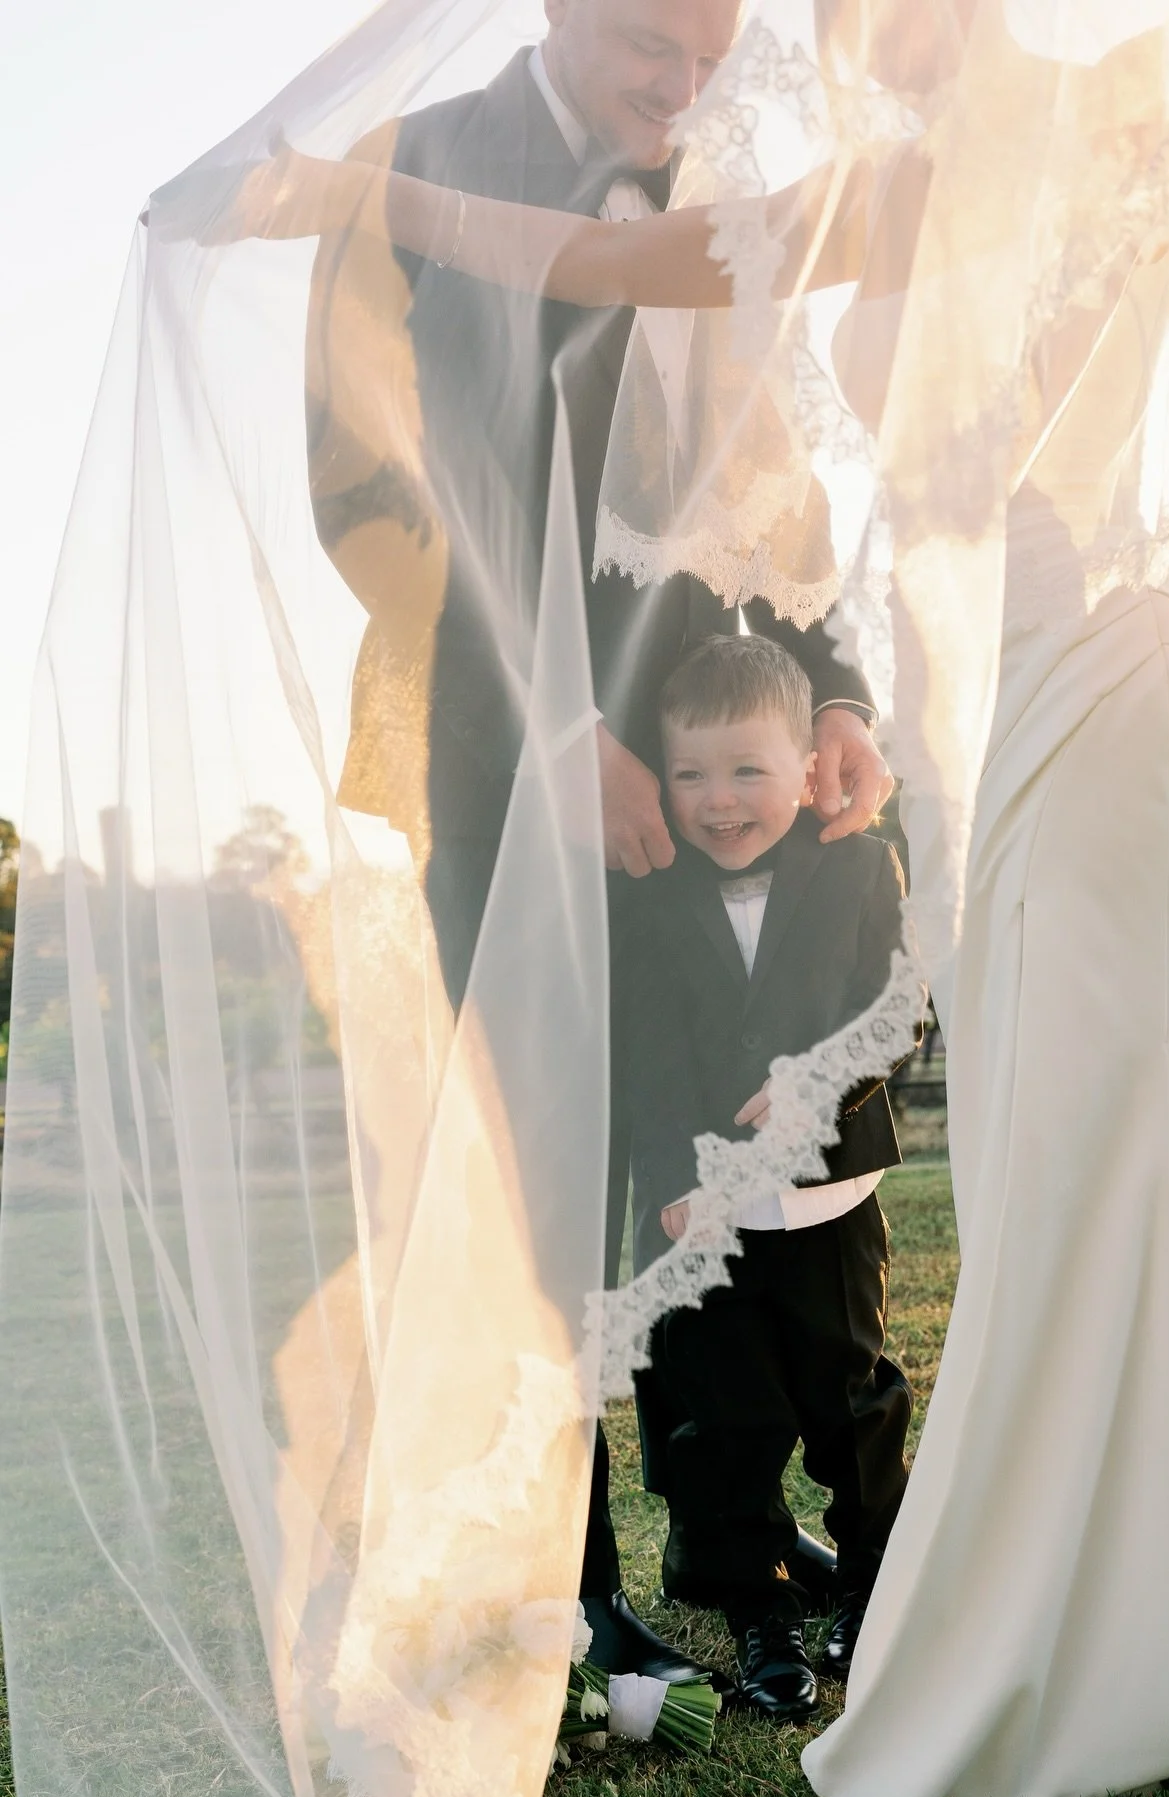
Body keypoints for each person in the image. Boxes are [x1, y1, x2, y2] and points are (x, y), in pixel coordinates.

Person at [152, 0, 1169, 1797]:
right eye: (848, 18)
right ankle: (1109, 1578)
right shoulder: (884, 189)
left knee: (1088, 1146)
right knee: (1049, 1157)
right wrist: (337, 189)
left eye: (897, 8)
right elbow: (600, 269)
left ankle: (1054, 1616)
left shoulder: (1095, 110)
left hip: (1102, 678)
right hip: (981, 719)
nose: (864, 34)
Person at [291, 0, 891, 1682]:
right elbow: (367, 491)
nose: (679, 85)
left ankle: (738, 1540)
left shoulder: (726, 195)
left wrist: (832, 693)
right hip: (502, 757)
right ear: (557, 4)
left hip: (714, 773)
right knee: (530, 1177)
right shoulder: (411, 175)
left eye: (710, 53)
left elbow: (782, 491)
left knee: (717, 1168)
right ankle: (562, 1579)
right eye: (648, 41)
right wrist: (558, 718)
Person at [621, 634, 914, 1720]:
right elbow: (643, 1054)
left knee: (852, 1401)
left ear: (809, 766)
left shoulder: (859, 865)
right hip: (707, 1217)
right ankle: (764, 1626)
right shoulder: (648, 894)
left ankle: (876, 1587)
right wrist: (668, 1181)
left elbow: (896, 1010)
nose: (719, 800)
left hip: (832, 1198)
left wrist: (821, 1085)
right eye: (690, 773)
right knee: (724, 1423)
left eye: (748, 771)